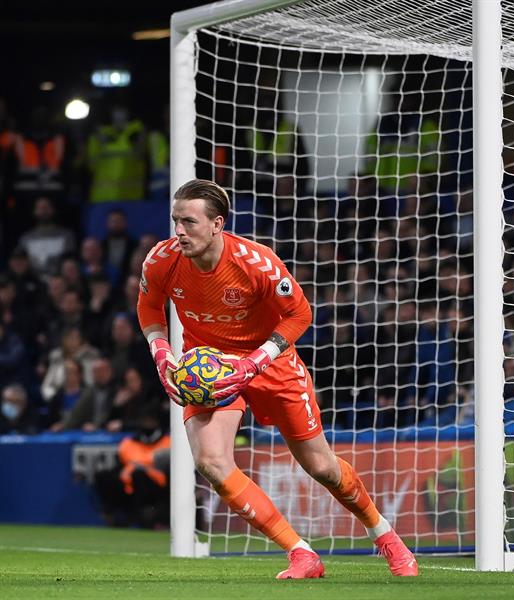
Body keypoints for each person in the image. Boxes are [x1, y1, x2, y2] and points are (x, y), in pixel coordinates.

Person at [136, 179, 418, 579]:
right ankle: (301, 553)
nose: (179, 231)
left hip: (271, 363)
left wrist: (253, 363)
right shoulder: (161, 260)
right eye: (175, 221)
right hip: (209, 369)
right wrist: (161, 351)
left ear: (217, 224)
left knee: (321, 467)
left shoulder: (257, 262)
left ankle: (386, 537)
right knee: (211, 461)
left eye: (189, 222)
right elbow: (148, 306)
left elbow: (300, 314)